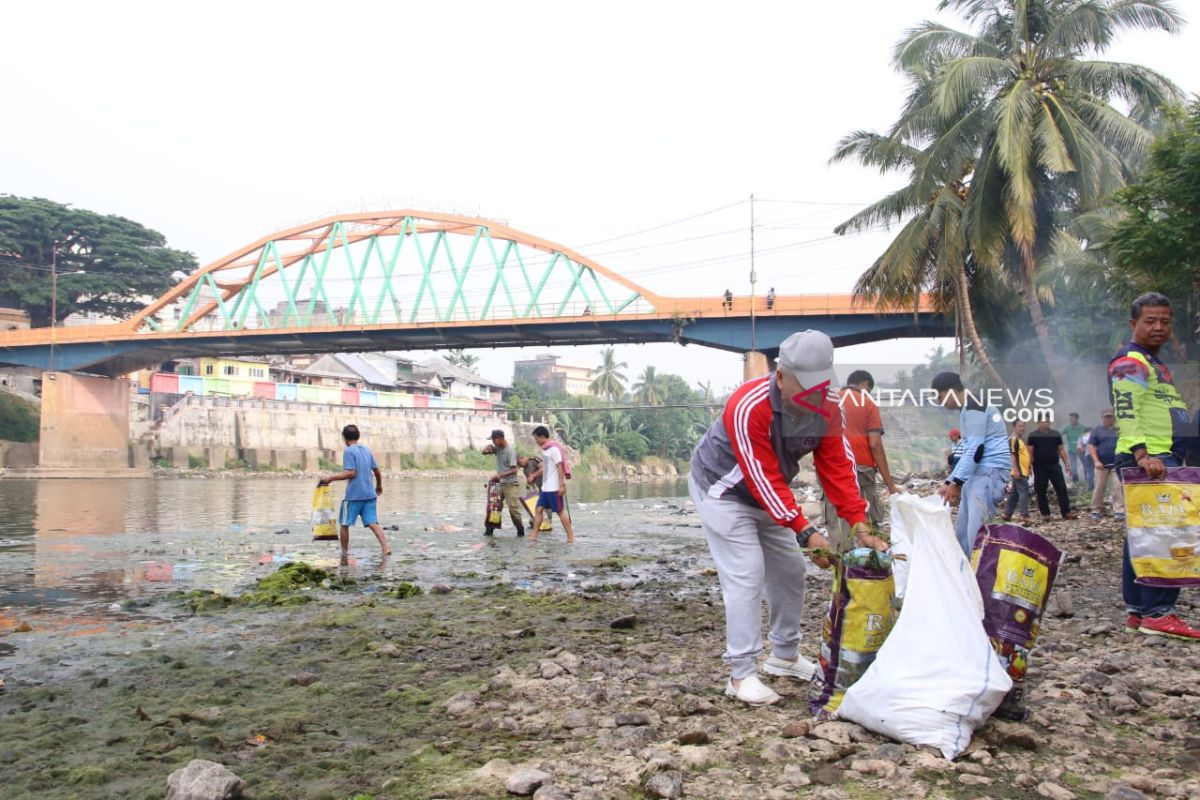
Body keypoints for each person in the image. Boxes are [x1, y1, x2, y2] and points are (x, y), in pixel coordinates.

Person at [690, 330, 887, 706]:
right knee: (747, 573)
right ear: (780, 377)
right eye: (805, 388)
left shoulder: (829, 406)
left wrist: (859, 522)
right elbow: (759, 474)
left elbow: (838, 466)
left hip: (768, 493)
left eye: (820, 387)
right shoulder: (749, 405)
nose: (814, 398)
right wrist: (807, 532)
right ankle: (741, 674)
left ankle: (784, 656)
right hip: (722, 489)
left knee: (791, 571)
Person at [1108, 292, 1198, 639]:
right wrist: (1144, 454)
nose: (1159, 327)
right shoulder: (1130, 361)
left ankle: (1138, 610)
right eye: (1150, 320)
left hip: (1158, 457)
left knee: (1143, 535)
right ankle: (1159, 612)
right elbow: (1127, 412)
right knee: (1165, 533)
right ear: (1134, 324)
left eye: (1165, 320)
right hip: (1151, 459)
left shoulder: (1154, 362)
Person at [932, 372, 1011, 556]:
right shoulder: (967, 408)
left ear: (951, 391)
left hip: (989, 472)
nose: (941, 402)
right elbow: (969, 451)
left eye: (940, 396)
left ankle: (981, 581)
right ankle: (966, 579)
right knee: (963, 533)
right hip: (977, 472)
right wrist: (949, 481)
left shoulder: (975, 405)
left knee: (977, 535)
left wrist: (956, 482)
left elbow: (977, 449)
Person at [823, 370, 899, 540]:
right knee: (868, 519)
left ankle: (842, 563)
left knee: (837, 522)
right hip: (861, 470)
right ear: (865, 384)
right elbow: (875, 445)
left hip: (831, 469)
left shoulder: (829, 401)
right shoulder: (867, 403)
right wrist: (890, 485)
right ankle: (870, 562)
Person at [319, 424, 390, 557]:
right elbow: (377, 471)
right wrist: (379, 486)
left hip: (353, 496)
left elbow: (351, 473)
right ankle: (386, 548)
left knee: (344, 524)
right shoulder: (367, 450)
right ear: (358, 436)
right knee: (373, 523)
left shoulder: (349, 451)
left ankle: (344, 553)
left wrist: (331, 478)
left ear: (345, 438)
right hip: (369, 494)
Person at [531, 425, 575, 543]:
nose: (536, 441)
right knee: (538, 510)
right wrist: (534, 476)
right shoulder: (545, 449)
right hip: (545, 488)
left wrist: (561, 485)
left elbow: (559, 466)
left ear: (542, 436)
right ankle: (533, 536)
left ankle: (571, 537)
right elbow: (546, 468)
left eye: (536, 438)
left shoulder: (554, 449)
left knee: (560, 511)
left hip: (554, 487)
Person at [1026, 419, 1077, 522]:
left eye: (1047, 421)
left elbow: (1061, 449)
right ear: (1038, 422)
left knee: (1061, 488)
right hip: (1039, 466)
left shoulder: (1055, 434)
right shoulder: (1033, 435)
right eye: (1043, 421)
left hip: (1054, 465)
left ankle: (1066, 512)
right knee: (1040, 490)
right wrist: (1028, 466)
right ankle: (1045, 514)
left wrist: (1067, 464)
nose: (1045, 423)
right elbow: (1030, 452)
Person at [482, 429, 525, 538]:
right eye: (492, 440)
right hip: (499, 484)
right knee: (494, 507)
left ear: (501, 439)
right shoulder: (498, 448)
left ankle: (520, 531)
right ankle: (489, 530)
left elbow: (514, 470)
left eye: (494, 440)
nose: (493, 442)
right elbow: (485, 452)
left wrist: (499, 475)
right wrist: (486, 449)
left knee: (513, 509)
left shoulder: (510, 451)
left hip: (511, 484)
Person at [1088, 410, 1123, 521]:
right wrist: (1096, 461)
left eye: (1110, 417)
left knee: (1118, 488)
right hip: (1101, 464)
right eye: (1106, 417)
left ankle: (1119, 510)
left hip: (1117, 463)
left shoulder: (1119, 429)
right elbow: (1091, 446)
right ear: (1102, 418)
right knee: (1099, 487)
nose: (1108, 419)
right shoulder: (1097, 430)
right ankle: (1096, 510)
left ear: (1114, 418)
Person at [1001, 419, 1033, 523]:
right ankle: (1024, 514)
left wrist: (1029, 467)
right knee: (1024, 492)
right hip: (1019, 471)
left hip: (1022, 470)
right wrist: (1016, 470)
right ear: (1014, 427)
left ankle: (1007, 513)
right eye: (1020, 426)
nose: (1022, 428)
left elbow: (1023, 456)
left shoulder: (1020, 439)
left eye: (1023, 426)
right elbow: (1013, 456)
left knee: (1015, 493)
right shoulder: (1014, 439)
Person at [1061, 412, 1087, 484]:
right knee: (1073, 466)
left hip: (1081, 450)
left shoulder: (1083, 428)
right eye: (1069, 419)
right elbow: (1059, 434)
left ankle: (1087, 480)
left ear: (1077, 418)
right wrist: (1060, 441)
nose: (1070, 420)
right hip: (1071, 450)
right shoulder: (1067, 428)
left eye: (1072, 418)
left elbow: (1089, 436)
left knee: (1085, 465)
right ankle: (1076, 481)